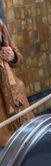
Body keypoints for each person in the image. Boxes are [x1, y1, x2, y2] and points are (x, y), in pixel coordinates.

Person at [0, 17, 28, 146]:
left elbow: (19, 58)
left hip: (14, 96)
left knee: (22, 146)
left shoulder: (0, 24)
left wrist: (12, 56)